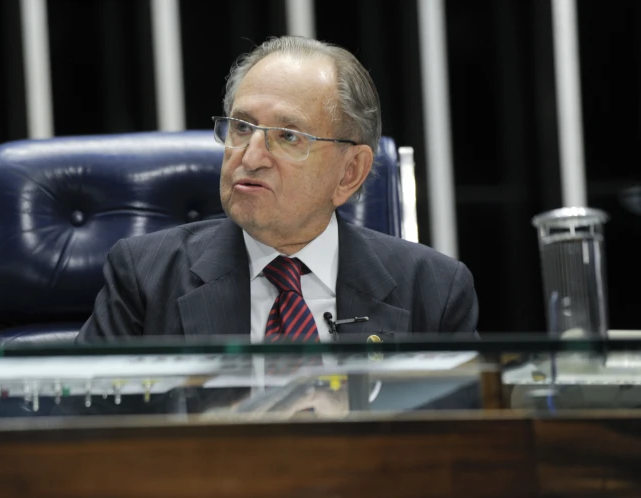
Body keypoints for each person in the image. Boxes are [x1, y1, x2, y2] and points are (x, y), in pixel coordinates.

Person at [77, 35, 478, 344]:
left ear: (350, 173)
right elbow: (79, 427)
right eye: (242, 127)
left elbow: (465, 444)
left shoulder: (435, 291)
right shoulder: (145, 278)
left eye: (287, 136)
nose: (250, 157)